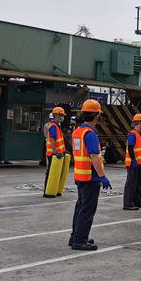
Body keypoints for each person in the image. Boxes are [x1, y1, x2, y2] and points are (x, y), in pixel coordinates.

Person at [69, 99, 111, 250]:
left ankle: (75, 236)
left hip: (80, 175)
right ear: (97, 116)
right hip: (90, 177)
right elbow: (94, 156)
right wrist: (102, 176)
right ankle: (80, 240)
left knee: (80, 207)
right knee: (87, 209)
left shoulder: (78, 132)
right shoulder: (90, 134)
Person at [123, 114, 141, 210]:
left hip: (138, 164)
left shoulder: (137, 134)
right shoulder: (132, 134)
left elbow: (140, 150)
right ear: (140, 123)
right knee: (131, 183)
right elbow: (130, 148)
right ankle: (128, 203)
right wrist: (134, 160)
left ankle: (137, 201)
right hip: (132, 164)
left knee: (137, 183)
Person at [44, 107, 67, 197]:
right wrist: (54, 152)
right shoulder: (53, 126)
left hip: (58, 153)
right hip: (53, 154)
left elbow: (59, 141)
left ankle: (54, 190)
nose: (62, 117)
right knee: (50, 172)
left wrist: (64, 151)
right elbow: (53, 140)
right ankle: (48, 191)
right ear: (56, 115)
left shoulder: (57, 126)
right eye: (61, 115)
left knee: (56, 172)